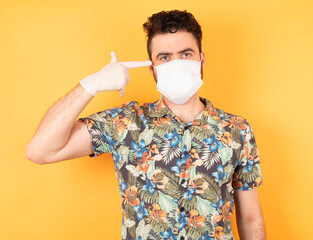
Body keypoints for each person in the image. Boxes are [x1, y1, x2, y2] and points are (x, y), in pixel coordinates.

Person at [26, 10, 265, 240]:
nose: (176, 64)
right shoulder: (124, 123)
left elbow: (251, 217)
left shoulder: (237, 129)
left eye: (186, 54)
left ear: (201, 60)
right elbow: (40, 151)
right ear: (153, 69)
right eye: (164, 57)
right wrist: (91, 85)